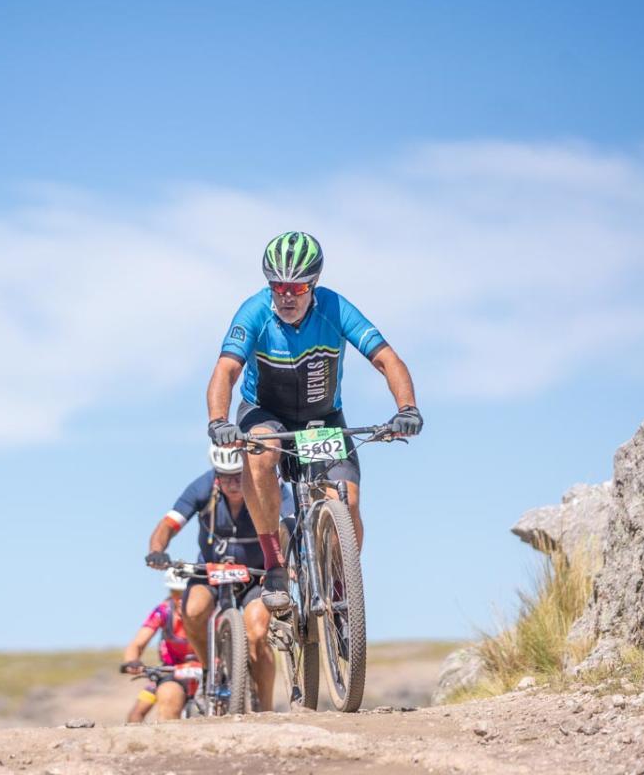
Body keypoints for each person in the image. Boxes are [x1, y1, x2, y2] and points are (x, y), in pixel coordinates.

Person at [206, 231, 423, 612]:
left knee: (348, 501)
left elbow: (387, 359)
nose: (287, 296)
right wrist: (218, 421)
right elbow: (226, 370)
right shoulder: (254, 311)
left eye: (298, 287)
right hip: (265, 413)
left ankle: (340, 589)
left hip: (321, 418)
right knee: (261, 452)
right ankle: (275, 563)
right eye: (278, 286)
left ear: (314, 283)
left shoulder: (335, 308)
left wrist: (407, 408)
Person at [143, 444, 293, 712]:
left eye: (238, 476)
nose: (233, 484)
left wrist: (290, 562)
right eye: (225, 477)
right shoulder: (201, 488)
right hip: (210, 571)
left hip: (256, 574)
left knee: (257, 634)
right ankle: (207, 669)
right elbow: (168, 524)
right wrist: (157, 550)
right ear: (216, 475)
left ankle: (266, 709)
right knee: (192, 610)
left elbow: (292, 521)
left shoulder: (266, 482)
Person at [121, 569, 197, 723]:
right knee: (137, 713)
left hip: (207, 672)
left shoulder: (212, 612)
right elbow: (137, 644)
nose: (180, 599)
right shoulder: (163, 611)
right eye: (175, 593)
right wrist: (132, 661)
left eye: (186, 594)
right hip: (172, 672)